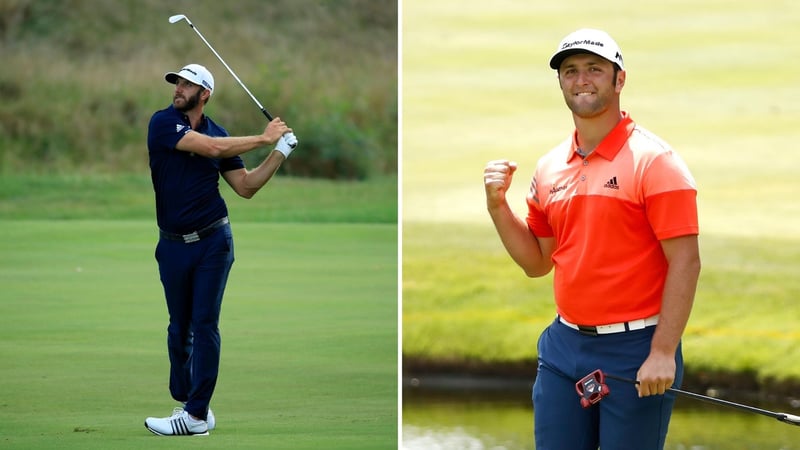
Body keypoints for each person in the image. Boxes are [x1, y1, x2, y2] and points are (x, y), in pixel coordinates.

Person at [483, 29, 701, 449]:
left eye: (594, 70)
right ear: (561, 82)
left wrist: (662, 351)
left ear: (619, 80)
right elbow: (536, 263)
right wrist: (498, 207)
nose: (581, 79)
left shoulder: (656, 162)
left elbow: (686, 262)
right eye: (571, 71)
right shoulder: (549, 168)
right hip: (564, 349)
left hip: (636, 348)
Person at [144, 63, 295, 436]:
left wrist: (279, 153)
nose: (179, 87)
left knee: (204, 323)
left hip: (214, 240)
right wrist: (263, 139)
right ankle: (190, 400)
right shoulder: (162, 123)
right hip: (173, 244)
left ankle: (195, 416)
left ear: (205, 94)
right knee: (179, 329)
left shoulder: (220, 133)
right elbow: (209, 148)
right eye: (177, 82)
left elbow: (245, 186)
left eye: (187, 84)